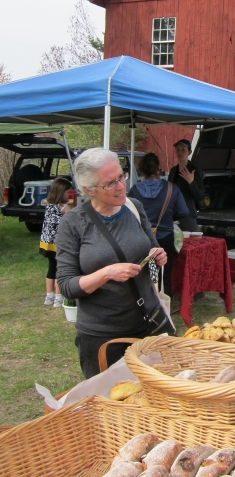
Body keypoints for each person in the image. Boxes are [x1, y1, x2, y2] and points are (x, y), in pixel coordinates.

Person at [55, 148, 167, 379]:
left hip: (148, 324)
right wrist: (106, 273)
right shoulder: (73, 223)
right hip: (103, 336)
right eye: (110, 183)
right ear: (89, 190)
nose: (120, 186)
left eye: (121, 177)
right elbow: (66, 285)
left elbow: (150, 244)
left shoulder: (134, 207)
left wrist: (158, 254)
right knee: (110, 404)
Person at [128, 151, 189, 297]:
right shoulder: (171, 188)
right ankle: (164, 302)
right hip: (165, 235)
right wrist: (169, 216)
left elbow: (128, 213)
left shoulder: (134, 190)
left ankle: (144, 300)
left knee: (142, 272)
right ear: (158, 168)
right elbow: (184, 211)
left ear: (141, 170)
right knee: (165, 273)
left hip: (141, 236)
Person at [39, 176, 73, 308]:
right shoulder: (64, 207)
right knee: (60, 269)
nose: (69, 194)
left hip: (46, 243)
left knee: (51, 268)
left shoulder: (48, 203)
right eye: (68, 192)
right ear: (61, 192)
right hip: (58, 243)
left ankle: (49, 296)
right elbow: (72, 218)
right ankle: (58, 297)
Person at [168, 138, 204, 232]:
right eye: (178, 150)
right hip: (173, 215)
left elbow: (199, 196)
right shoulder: (173, 171)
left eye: (183, 150)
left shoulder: (194, 170)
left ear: (189, 152)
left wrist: (191, 182)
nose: (180, 152)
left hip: (188, 216)